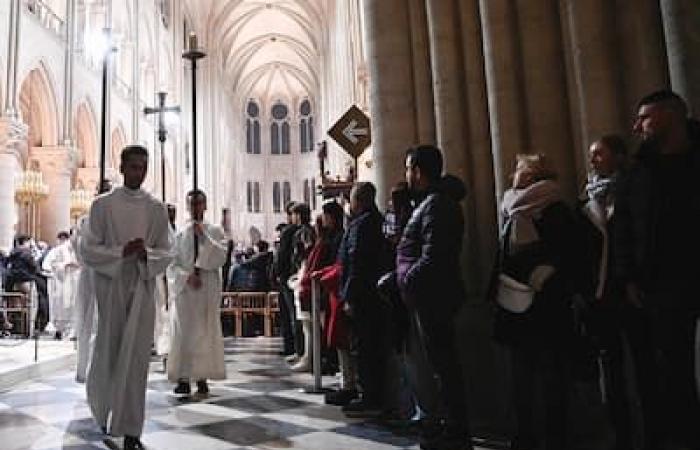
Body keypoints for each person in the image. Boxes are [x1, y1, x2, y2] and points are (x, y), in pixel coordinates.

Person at [616, 90, 700, 449]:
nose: (637, 127)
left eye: (645, 118)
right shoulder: (637, 172)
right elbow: (623, 229)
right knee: (672, 373)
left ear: (670, 116)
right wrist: (630, 278)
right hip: (662, 287)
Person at [80, 145, 172, 450]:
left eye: (143, 167)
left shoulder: (156, 209)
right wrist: (121, 252)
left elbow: (167, 250)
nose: (139, 173)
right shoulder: (102, 206)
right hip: (112, 288)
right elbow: (89, 248)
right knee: (109, 351)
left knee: (136, 360)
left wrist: (147, 254)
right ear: (121, 167)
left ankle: (132, 428)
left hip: (142, 289)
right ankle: (104, 411)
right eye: (133, 167)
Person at [492, 153, 577, 450]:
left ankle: (556, 437)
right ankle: (524, 434)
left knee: (551, 372)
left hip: (546, 304)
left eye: (518, 169)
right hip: (514, 301)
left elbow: (567, 251)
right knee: (521, 375)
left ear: (531, 175)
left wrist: (547, 271)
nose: (513, 174)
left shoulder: (554, 208)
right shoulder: (512, 207)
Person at [395, 146, 472, 450]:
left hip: (433, 296)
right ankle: (449, 425)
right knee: (441, 365)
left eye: (409, 168)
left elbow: (434, 256)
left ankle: (455, 431)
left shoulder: (437, 205)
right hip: (429, 295)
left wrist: (407, 280)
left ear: (418, 170)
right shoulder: (431, 203)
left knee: (445, 366)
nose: (407, 175)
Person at [338, 182, 390, 417]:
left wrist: (349, 296)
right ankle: (372, 394)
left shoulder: (361, 224)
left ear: (358, 201)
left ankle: (369, 396)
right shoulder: (377, 220)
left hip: (362, 296)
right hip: (373, 294)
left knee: (364, 346)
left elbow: (355, 261)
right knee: (371, 345)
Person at [168, 189, 227, 395]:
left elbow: (220, 256)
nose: (195, 208)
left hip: (206, 288)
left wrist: (203, 238)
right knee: (184, 333)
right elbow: (171, 264)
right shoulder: (180, 233)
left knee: (204, 332)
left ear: (205, 205)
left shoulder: (215, 231)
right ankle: (183, 378)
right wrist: (186, 277)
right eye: (191, 204)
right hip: (186, 290)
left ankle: (202, 376)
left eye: (199, 203)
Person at [74, 180, 111, 383]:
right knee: (89, 321)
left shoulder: (115, 220)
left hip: (110, 275)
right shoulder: (85, 221)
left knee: (107, 322)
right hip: (91, 275)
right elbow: (80, 249)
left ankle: (105, 369)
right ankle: (87, 369)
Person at [5, 234, 50, 331]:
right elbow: (34, 267)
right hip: (26, 281)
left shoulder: (12, 253)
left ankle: (16, 327)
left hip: (13, 282)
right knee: (32, 304)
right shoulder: (27, 253)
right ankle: (29, 328)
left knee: (17, 305)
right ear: (26, 242)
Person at [42, 231, 80, 339]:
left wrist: (77, 265)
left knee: (74, 305)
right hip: (61, 282)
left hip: (76, 280)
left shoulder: (81, 250)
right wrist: (64, 265)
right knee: (60, 306)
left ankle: (74, 330)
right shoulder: (57, 250)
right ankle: (59, 330)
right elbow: (47, 265)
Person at [273, 202, 299, 356]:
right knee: (292, 314)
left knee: (288, 313)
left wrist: (276, 272)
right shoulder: (300, 230)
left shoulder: (288, 231)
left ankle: (291, 347)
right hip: (292, 276)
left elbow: (281, 255)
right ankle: (294, 348)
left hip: (285, 277)